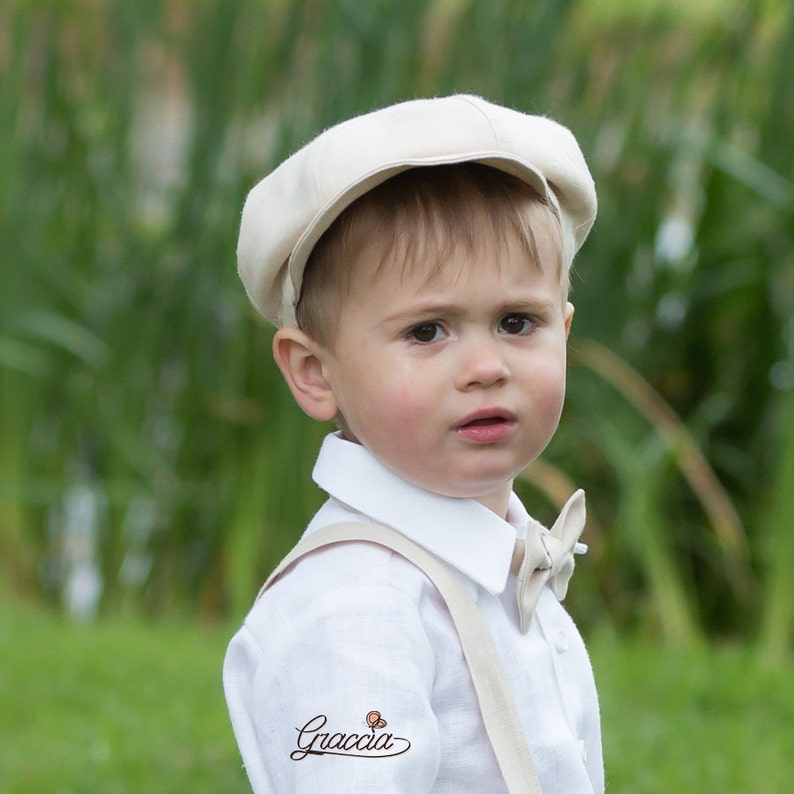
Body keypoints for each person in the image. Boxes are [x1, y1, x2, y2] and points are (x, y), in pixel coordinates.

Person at [223, 94, 603, 793]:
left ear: (565, 331)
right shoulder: (359, 607)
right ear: (315, 372)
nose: (486, 366)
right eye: (427, 331)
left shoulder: (499, 565)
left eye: (518, 322)